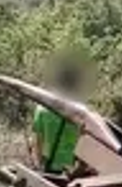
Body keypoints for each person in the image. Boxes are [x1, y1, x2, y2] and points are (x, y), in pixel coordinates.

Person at [31, 45, 91, 174]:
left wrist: (38, 168)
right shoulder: (83, 112)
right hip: (72, 173)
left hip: (48, 170)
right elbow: (86, 148)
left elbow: (37, 143)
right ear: (75, 83)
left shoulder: (42, 108)